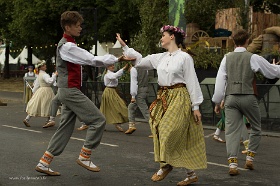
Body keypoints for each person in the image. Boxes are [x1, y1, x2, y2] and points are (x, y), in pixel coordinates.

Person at [35, 11, 127, 176]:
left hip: (67, 90)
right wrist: (117, 59)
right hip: (70, 91)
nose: (80, 28)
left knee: (64, 129)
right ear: (68, 27)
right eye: (77, 26)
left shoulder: (68, 44)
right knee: (98, 120)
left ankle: (44, 162)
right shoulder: (67, 46)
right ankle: (85, 155)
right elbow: (90, 59)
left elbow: (86, 59)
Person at [116, 25, 207, 185]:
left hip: (180, 96)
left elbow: (192, 81)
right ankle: (191, 174)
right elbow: (140, 61)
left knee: (167, 131)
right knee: (159, 129)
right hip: (164, 96)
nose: (161, 38)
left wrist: (196, 106)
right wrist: (125, 46)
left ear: (172, 37)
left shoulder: (184, 57)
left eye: (164, 35)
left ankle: (165, 166)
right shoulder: (161, 57)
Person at [212, 29, 280, 176]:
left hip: (230, 98)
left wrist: (217, 102)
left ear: (234, 42)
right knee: (256, 127)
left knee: (231, 131)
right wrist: (276, 66)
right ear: (247, 41)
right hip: (249, 96)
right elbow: (272, 72)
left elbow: (220, 81)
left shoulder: (226, 58)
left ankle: (233, 164)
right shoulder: (252, 57)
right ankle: (250, 157)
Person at [23, 61, 57, 127]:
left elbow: (36, 85)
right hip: (47, 90)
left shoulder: (39, 75)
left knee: (36, 105)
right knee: (49, 105)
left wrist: (34, 92)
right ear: (41, 67)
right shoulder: (44, 75)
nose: (45, 66)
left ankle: (27, 119)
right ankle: (49, 120)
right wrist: (54, 75)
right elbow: (49, 81)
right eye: (44, 65)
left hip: (40, 90)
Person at [100, 63, 129, 132]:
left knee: (116, 107)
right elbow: (115, 76)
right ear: (107, 67)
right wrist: (123, 69)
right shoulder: (108, 74)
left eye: (113, 65)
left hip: (113, 91)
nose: (112, 66)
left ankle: (117, 122)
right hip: (109, 91)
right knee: (114, 107)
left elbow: (116, 76)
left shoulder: (111, 73)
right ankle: (113, 123)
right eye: (110, 65)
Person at [124, 65, 150, 134]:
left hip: (138, 90)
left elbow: (134, 83)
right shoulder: (145, 68)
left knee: (144, 110)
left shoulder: (134, 69)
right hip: (145, 89)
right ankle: (131, 126)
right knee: (131, 107)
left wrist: (133, 96)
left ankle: (155, 129)